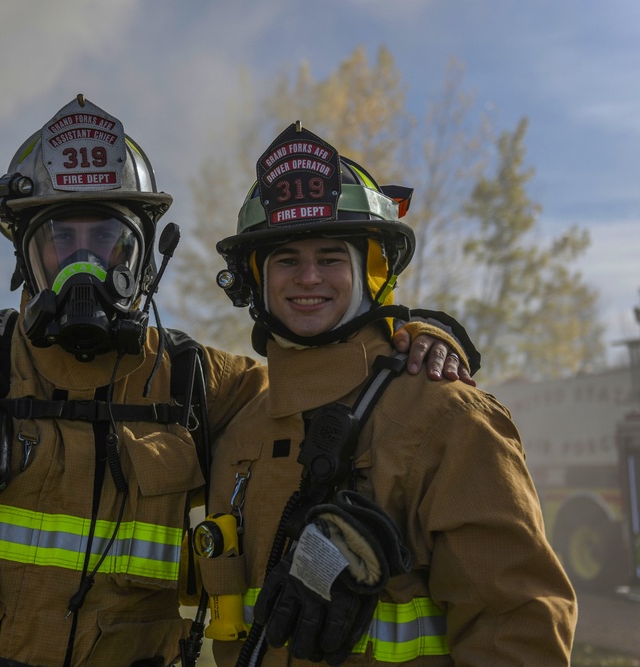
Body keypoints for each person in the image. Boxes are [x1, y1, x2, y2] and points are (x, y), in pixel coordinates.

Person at [0, 97, 469, 667]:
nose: (85, 268)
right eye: (61, 245)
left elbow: (317, 379)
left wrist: (407, 337)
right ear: (28, 257)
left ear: (143, 252)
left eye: (106, 244)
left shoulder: (202, 384)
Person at [205, 123, 577, 666]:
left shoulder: (448, 417)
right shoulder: (243, 422)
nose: (308, 277)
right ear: (255, 280)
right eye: (286, 259)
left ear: (372, 273)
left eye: (331, 257)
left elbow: (517, 626)